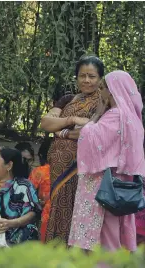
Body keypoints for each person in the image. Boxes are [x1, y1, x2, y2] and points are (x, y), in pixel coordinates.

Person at [68, 71, 145, 252]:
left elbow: (90, 137)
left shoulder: (115, 115)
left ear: (112, 91)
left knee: (105, 234)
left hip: (104, 184)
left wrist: (96, 116)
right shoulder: (133, 119)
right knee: (117, 230)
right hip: (122, 185)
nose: (100, 92)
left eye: (103, 88)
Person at [40, 55, 104, 244]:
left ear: (100, 79)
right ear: (76, 78)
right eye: (82, 76)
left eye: (92, 76)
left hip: (82, 166)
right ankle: (55, 250)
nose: (86, 80)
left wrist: (61, 131)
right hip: (58, 165)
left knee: (77, 207)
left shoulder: (103, 102)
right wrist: (71, 121)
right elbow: (46, 122)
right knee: (59, 206)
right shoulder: (68, 99)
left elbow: (92, 130)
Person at [28, 138, 51, 241]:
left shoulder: (39, 172)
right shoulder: (71, 172)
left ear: (41, 155)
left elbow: (27, 195)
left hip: (44, 217)